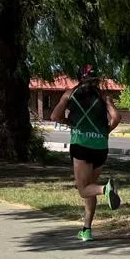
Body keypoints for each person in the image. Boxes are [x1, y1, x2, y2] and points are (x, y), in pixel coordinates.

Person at [49, 64, 122, 242]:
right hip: (101, 146)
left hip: (81, 144)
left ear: (80, 78)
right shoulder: (104, 96)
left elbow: (54, 116)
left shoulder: (70, 93)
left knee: (83, 190)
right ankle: (87, 230)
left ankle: (106, 189)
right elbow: (116, 117)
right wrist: (105, 131)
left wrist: (68, 122)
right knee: (91, 187)